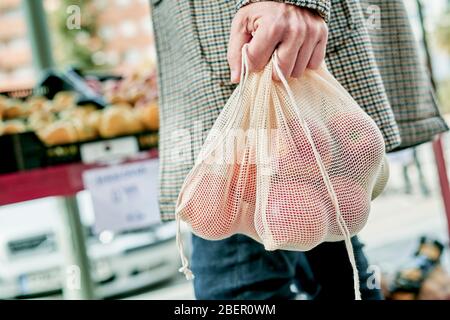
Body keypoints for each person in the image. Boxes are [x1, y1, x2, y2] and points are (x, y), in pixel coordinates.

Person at [150, 0, 448, 300]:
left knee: (239, 290)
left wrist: (292, 2)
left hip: (267, 52)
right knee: (340, 279)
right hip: (268, 76)